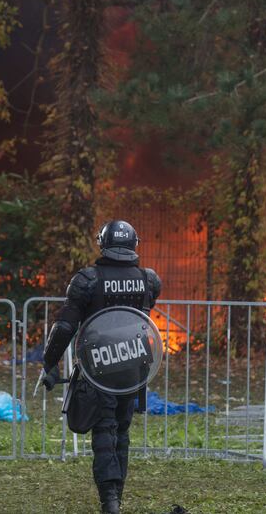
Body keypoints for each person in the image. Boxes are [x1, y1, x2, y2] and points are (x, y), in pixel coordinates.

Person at [38, 220, 162, 514]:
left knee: (104, 429)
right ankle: (116, 494)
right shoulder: (148, 280)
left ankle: (110, 500)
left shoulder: (87, 280)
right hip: (134, 365)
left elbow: (65, 326)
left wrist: (50, 361)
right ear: (134, 244)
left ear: (103, 244)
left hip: (99, 366)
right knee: (122, 430)